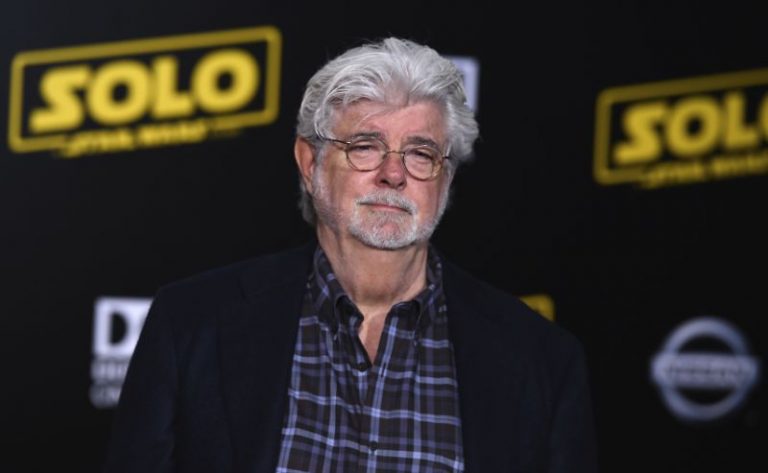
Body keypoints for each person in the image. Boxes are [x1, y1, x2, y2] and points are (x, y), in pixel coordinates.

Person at [103, 37, 598, 473]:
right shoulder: (191, 325)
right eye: (365, 146)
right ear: (310, 162)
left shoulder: (542, 363)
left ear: (445, 179)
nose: (393, 174)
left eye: (421, 154)